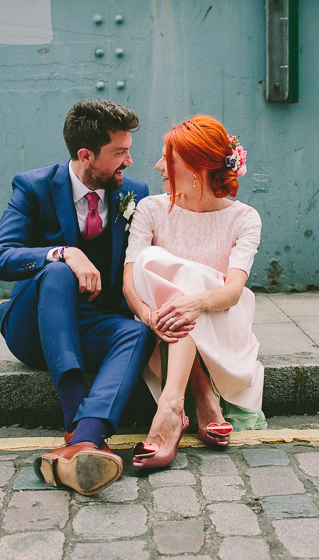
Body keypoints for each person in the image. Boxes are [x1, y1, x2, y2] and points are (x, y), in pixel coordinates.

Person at [0, 99, 153, 494]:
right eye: (119, 152)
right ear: (85, 155)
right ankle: (73, 415)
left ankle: (84, 438)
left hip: (93, 323)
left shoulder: (135, 192)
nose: (128, 161)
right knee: (58, 271)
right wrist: (63, 252)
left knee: (137, 333)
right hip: (34, 328)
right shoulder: (34, 186)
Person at [122, 115, 266, 469]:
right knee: (153, 260)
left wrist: (196, 301)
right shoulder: (151, 209)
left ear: (197, 168)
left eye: (168, 159)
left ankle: (174, 405)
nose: (157, 166)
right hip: (162, 323)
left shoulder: (245, 218)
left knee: (186, 282)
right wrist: (147, 315)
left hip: (221, 321)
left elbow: (233, 291)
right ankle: (198, 395)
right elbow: (129, 279)